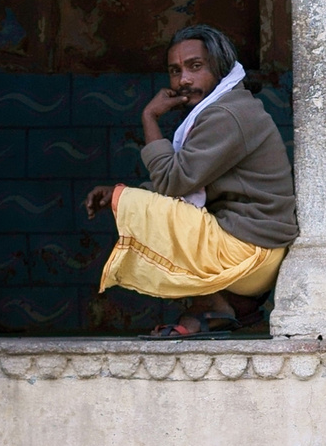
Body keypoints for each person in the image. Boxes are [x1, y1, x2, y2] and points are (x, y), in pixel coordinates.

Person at [85, 24, 298, 338]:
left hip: (251, 254)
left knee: (130, 205)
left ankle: (215, 307)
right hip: (256, 252)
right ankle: (225, 308)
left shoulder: (227, 114)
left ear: (220, 68)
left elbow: (174, 182)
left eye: (195, 67)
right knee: (133, 200)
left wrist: (149, 117)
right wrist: (129, 192)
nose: (183, 79)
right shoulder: (227, 108)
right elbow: (180, 185)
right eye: (174, 71)